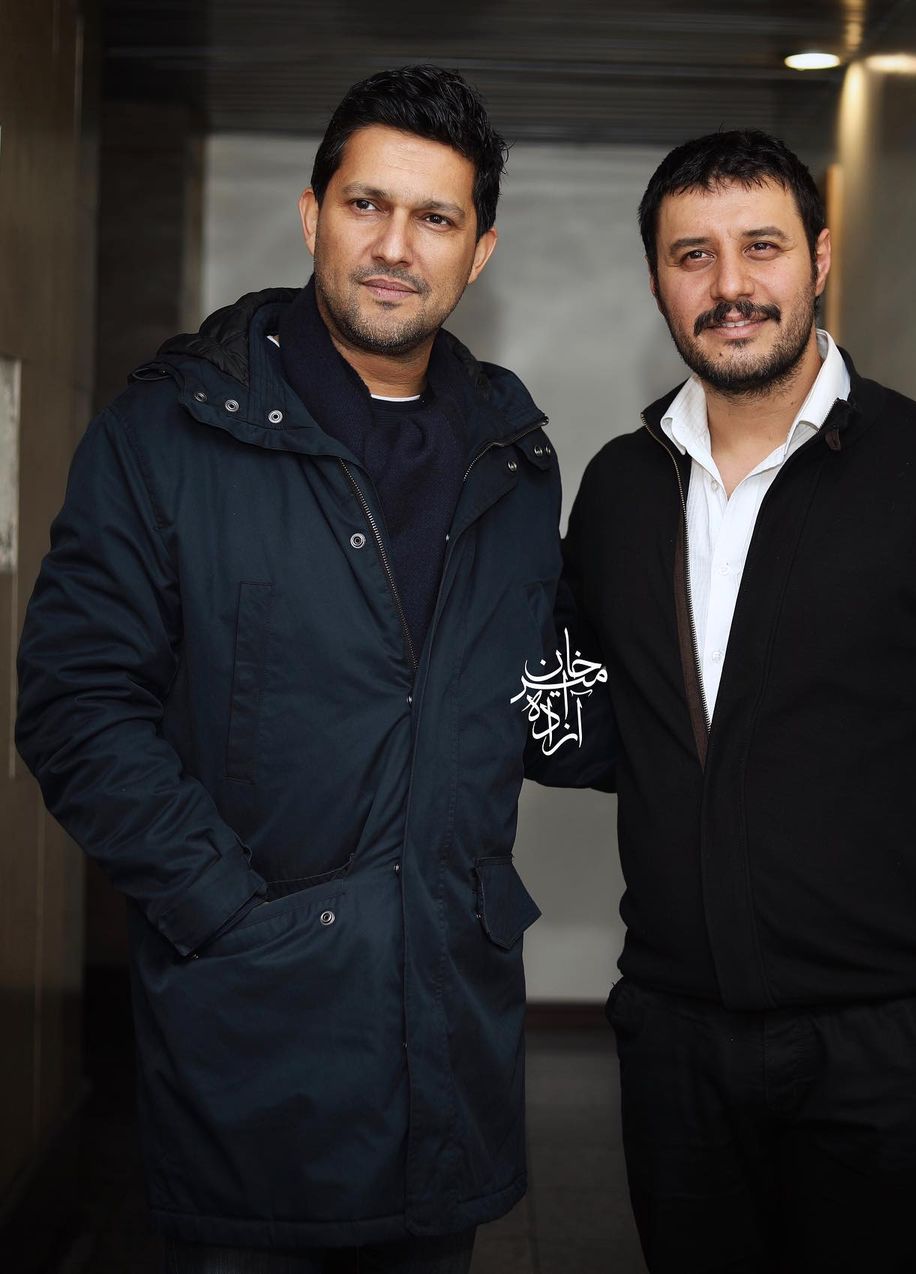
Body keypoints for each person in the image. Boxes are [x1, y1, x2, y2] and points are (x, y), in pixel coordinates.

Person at [16, 64, 587, 1274]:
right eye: (366, 204)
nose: (395, 246)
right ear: (312, 213)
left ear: (479, 250)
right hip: (255, 1047)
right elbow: (77, 703)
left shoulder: (515, 457)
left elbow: (536, 684)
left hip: (450, 1045)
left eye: (435, 218)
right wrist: (222, 907)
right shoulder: (171, 431)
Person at [559, 129, 916, 1272]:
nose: (730, 284)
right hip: (678, 1044)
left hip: (895, 1050)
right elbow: (584, 703)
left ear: (821, 257)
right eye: (693, 254)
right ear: (657, 279)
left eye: (763, 246)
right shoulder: (621, 488)